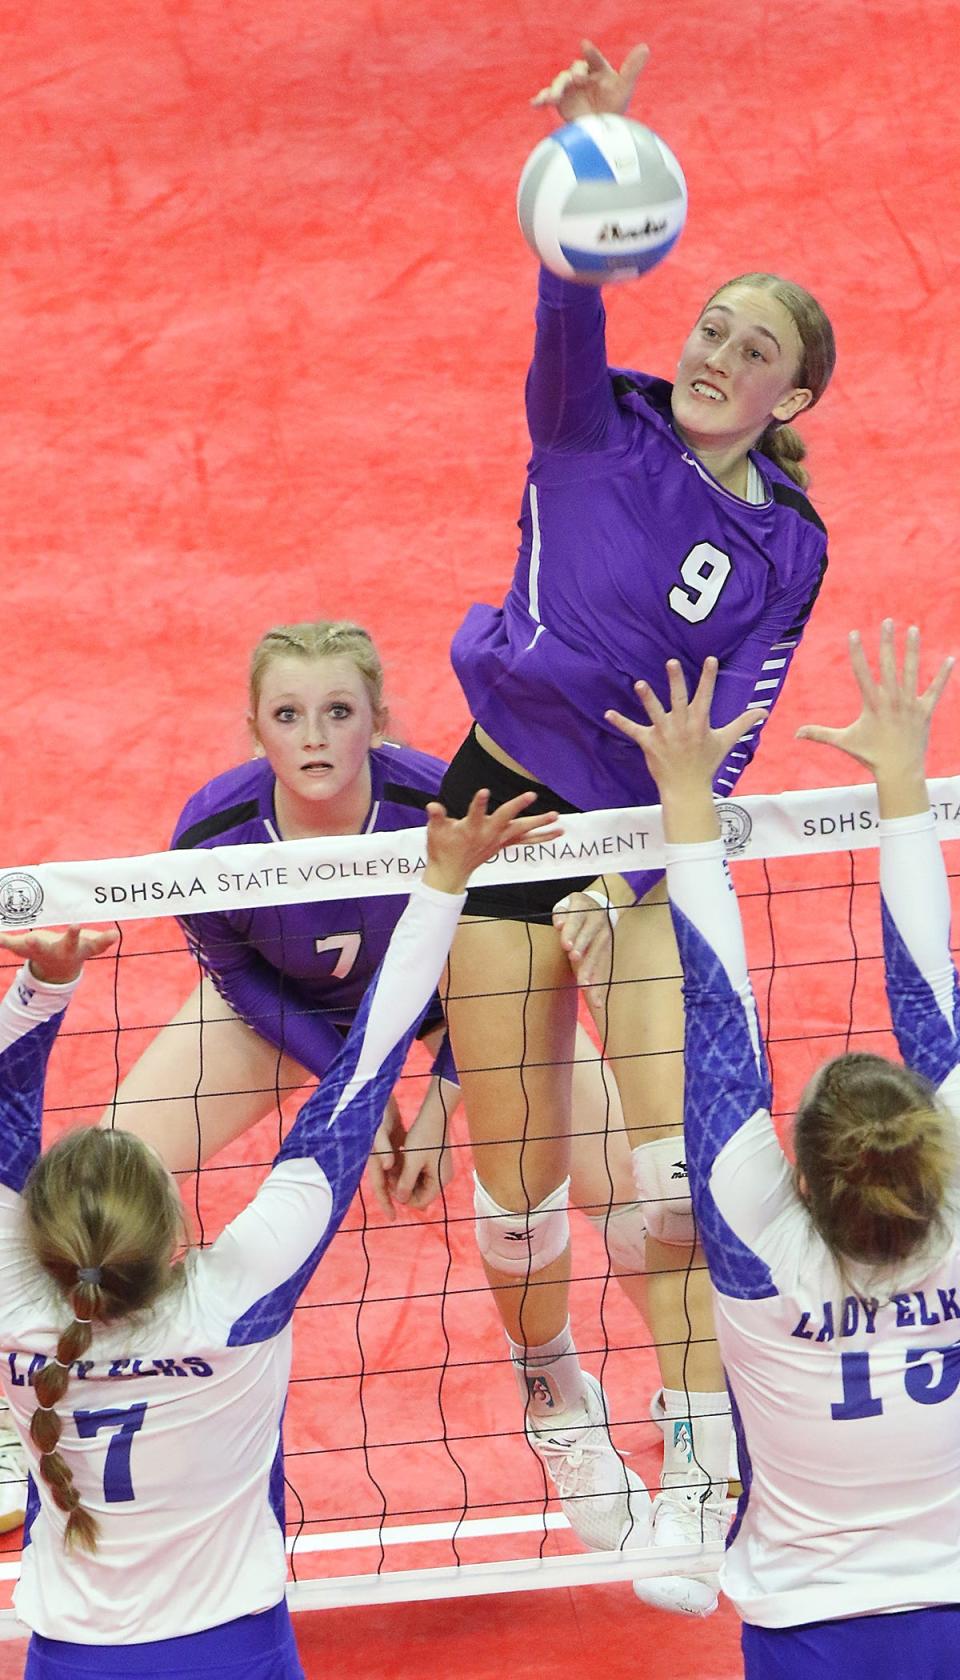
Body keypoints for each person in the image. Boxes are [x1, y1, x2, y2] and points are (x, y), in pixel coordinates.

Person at [438, 37, 836, 1613]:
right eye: (713, 324)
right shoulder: (588, 418)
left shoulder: (785, 543)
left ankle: (694, 1468)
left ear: (795, 394)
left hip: (629, 844)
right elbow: (569, 296)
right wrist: (588, 162)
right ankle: (557, 1411)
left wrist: (659, 842)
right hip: (493, 809)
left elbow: (735, 715)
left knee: (674, 1178)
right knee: (520, 1188)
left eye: (755, 347)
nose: (721, 350)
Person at [0, 789, 557, 1678]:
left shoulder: (16, 1305)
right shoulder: (235, 1303)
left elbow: (2, 1117)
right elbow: (366, 1072)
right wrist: (444, 884)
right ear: (176, 1228)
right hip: (237, 1651)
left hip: (72, 1660)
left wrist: (41, 988)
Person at [607, 622, 960, 1678]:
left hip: (811, 1638)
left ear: (800, 1170)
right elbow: (931, 994)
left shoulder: (758, 1256)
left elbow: (717, 1016)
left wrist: (684, 800)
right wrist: (905, 780)